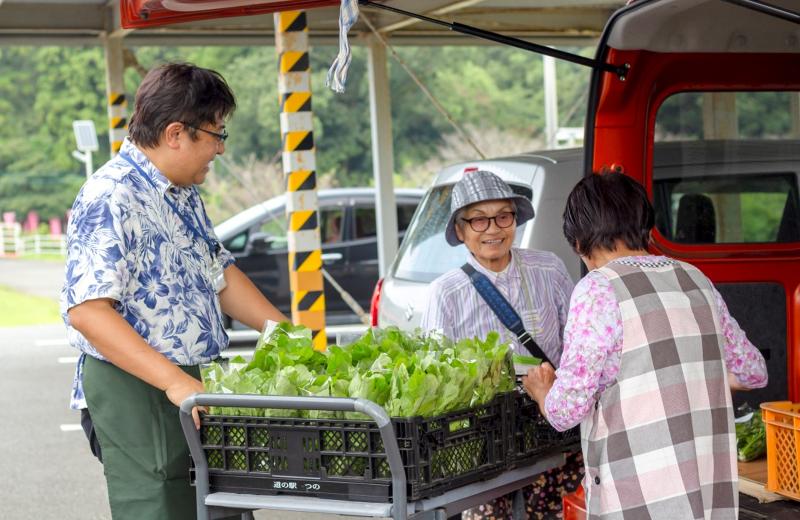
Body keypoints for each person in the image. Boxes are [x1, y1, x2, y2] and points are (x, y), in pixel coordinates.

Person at [60, 63, 288, 520]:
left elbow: (218, 274)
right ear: (176, 133)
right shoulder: (112, 194)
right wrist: (173, 381)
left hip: (193, 386)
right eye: (216, 134)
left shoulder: (183, 193)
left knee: (220, 508)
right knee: (164, 507)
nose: (220, 149)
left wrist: (285, 334)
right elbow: (88, 311)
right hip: (139, 390)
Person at [523, 171, 768, 519]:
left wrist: (542, 390)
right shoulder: (694, 278)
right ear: (645, 226)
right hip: (707, 492)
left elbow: (566, 411)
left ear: (578, 242)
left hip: (640, 494)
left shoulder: (597, 290)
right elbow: (753, 373)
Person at [421, 169, 581, 519]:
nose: (493, 229)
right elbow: (438, 375)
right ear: (461, 231)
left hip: (551, 427)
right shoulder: (445, 293)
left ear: (515, 221)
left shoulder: (549, 269)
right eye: (478, 221)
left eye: (503, 216)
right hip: (485, 442)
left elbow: (578, 344)